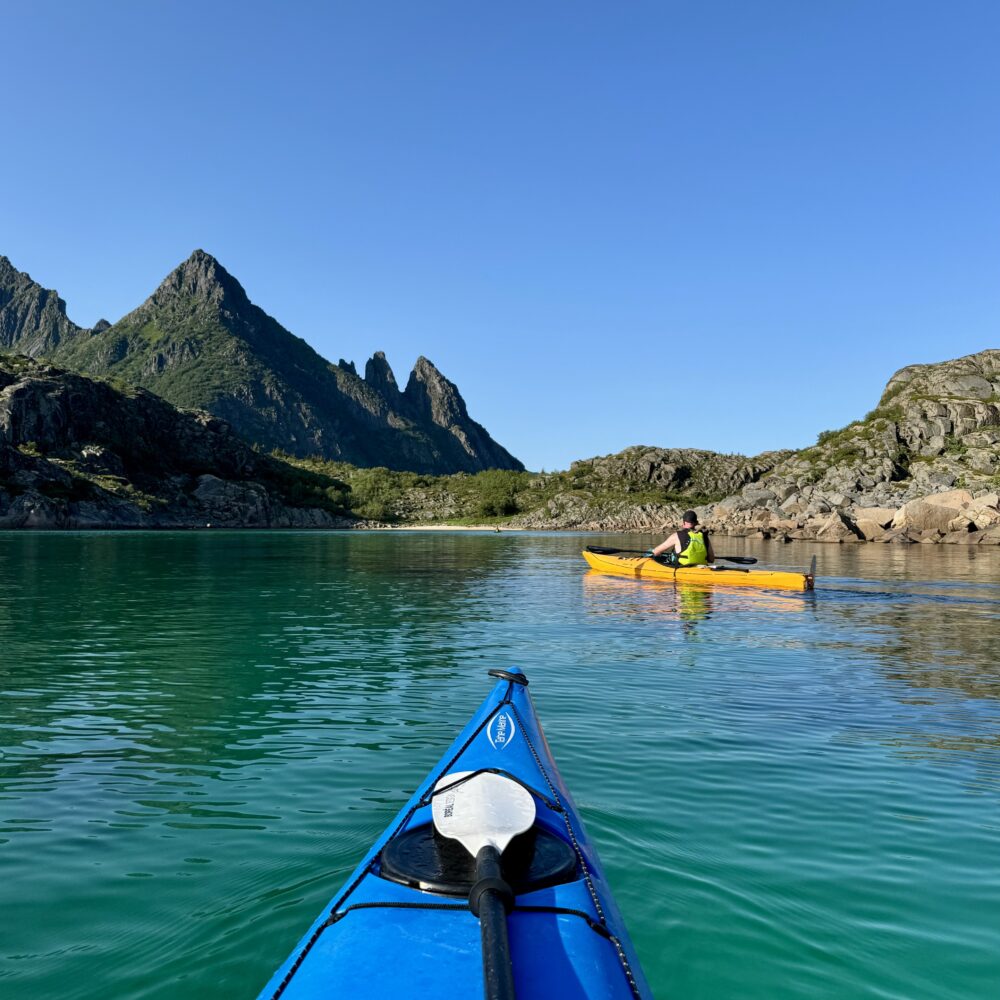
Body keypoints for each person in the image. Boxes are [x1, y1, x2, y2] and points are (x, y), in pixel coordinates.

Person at [646, 510, 714, 567]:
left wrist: (651, 553)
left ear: (684, 522)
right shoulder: (704, 537)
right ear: (696, 523)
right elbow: (711, 559)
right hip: (701, 568)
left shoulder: (677, 536)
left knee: (652, 552)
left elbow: (656, 551)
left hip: (683, 568)